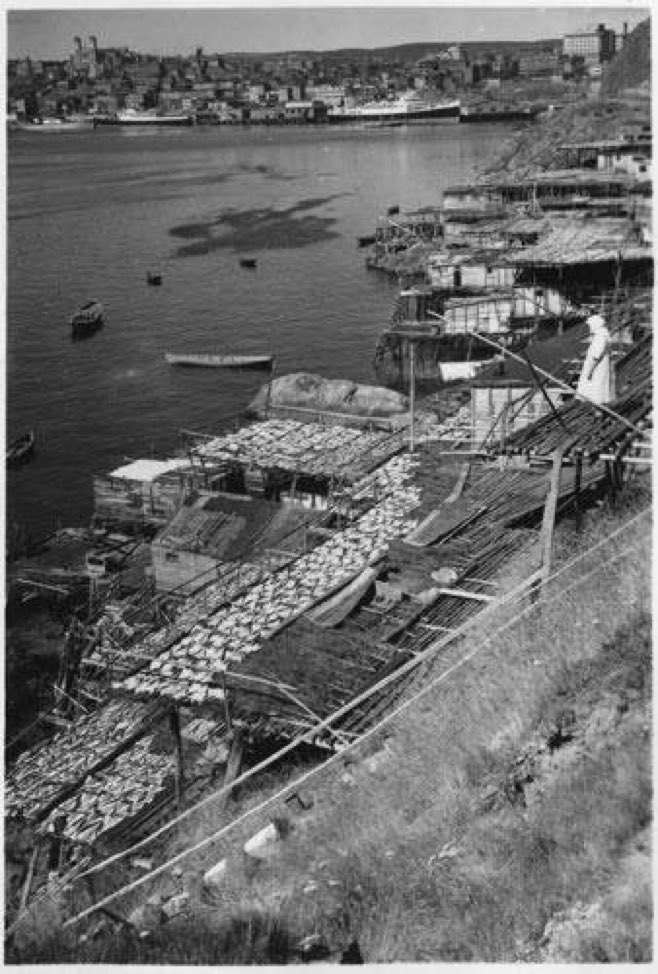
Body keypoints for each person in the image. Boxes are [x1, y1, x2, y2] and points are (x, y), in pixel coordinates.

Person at [576, 314, 615, 405]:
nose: (590, 327)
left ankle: (597, 411)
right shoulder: (602, 335)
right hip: (599, 367)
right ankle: (597, 410)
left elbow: (596, 356)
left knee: (596, 390)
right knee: (598, 389)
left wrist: (590, 371)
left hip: (597, 368)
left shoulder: (600, 337)